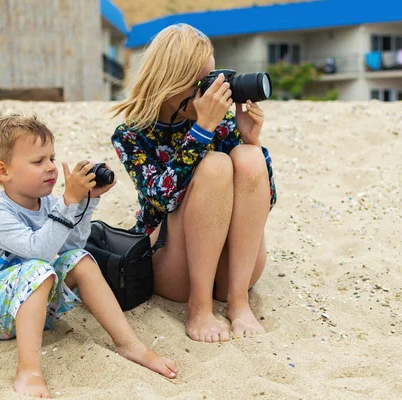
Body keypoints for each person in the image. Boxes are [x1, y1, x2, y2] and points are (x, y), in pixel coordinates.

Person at [0, 114, 177, 398]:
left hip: (32, 304)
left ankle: (129, 344)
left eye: (52, 158)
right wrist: (68, 202)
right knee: (38, 268)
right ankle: (29, 371)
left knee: (80, 259)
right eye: (38, 162)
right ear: (3, 171)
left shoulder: (48, 203)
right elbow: (40, 251)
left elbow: (72, 243)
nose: (51, 168)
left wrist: (86, 201)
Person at [110, 24, 277, 343]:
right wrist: (200, 131)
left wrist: (252, 141)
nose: (212, 90)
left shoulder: (223, 123)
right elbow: (163, 199)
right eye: (202, 82)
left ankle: (239, 303)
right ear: (171, 80)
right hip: (177, 268)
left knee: (250, 157)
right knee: (214, 165)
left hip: (235, 274)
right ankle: (200, 308)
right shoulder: (132, 135)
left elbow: (264, 204)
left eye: (214, 79)